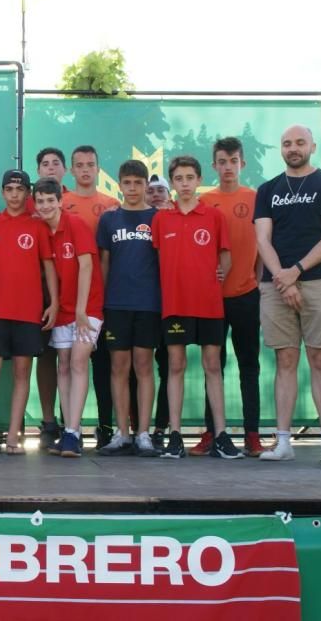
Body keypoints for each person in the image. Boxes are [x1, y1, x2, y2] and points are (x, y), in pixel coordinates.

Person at [254, 126, 321, 463]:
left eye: (299, 143)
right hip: (277, 284)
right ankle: (282, 442)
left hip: (319, 281)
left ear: (312, 146)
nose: (293, 148)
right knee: (286, 360)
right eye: (286, 143)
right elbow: (263, 239)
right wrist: (284, 279)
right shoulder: (268, 189)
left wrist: (296, 272)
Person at [152, 156, 243, 460]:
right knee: (175, 366)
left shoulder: (214, 216)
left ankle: (220, 435)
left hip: (209, 305)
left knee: (213, 367)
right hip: (175, 304)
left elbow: (226, 257)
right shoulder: (161, 218)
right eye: (179, 178)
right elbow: (154, 258)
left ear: (199, 180)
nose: (185, 183)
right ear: (172, 183)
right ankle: (175, 436)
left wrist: (220, 274)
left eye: (190, 177)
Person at [0, 169, 57, 455]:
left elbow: (49, 268)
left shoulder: (39, 227)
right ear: (2, 193)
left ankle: (15, 438)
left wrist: (53, 302)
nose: (15, 195)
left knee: (21, 372)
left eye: (20, 190)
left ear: (27, 193)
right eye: (9, 190)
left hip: (28, 312)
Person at [193, 137, 264, 457]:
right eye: (222, 161)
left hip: (247, 295)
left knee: (250, 365)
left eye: (233, 161)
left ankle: (252, 434)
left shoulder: (255, 197)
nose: (227, 167)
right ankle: (212, 432)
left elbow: (263, 244)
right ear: (214, 166)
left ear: (242, 164)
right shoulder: (203, 202)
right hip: (210, 300)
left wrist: (258, 280)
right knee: (212, 366)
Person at [34, 178, 104, 458]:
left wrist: (81, 309)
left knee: (77, 361)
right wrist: (54, 303)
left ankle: (74, 433)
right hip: (62, 308)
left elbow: (86, 266)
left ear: (60, 201)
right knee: (62, 364)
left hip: (87, 308)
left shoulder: (75, 224)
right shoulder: (41, 229)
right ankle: (67, 430)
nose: (46, 206)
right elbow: (50, 270)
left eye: (50, 200)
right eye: (40, 201)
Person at [96, 160, 161, 457]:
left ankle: (143, 433)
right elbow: (104, 264)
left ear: (146, 185)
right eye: (127, 183)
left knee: (144, 367)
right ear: (119, 185)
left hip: (148, 304)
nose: (133, 188)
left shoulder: (158, 218)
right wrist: (102, 303)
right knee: (118, 368)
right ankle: (122, 434)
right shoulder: (109, 220)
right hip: (117, 305)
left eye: (138, 182)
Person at [62, 145, 121, 449]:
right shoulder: (61, 203)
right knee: (67, 364)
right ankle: (68, 429)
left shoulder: (112, 205)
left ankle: (106, 427)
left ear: (99, 169)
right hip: (66, 298)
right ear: (71, 170)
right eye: (80, 165)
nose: (85, 170)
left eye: (90, 164)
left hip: (101, 296)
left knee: (103, 366)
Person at [30, 147, 68, 449]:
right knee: (46, 358)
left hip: (75, 297)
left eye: (56, 163)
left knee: (73, 361)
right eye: (45, 164)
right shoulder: (32, 213)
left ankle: (72, 421)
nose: (51, 167)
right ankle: (48, 421)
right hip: (39, 295)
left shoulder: (77, 207)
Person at [145, 174, 173, 448]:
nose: (155, 195)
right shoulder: (133, 221)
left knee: (167, 368)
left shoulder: (177, 220)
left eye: (160, 190)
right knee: (134, 369)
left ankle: (161, 428)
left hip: (169, 306)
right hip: (141, 306)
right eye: (150, 190)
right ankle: (132, 429)